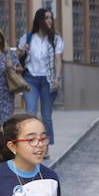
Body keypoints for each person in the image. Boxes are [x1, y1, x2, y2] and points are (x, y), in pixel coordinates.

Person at [18, 8, 64, 154]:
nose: (49, 21)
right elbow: (18, 56)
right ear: (40, 20)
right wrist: (23, 51)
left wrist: (57, 78)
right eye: (46, 18)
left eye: (51, 18)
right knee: (31, 114)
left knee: (46, 116)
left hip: (48, 80)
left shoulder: (56, 39)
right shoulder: (28, 38)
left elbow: (58, 60)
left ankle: (45, 147)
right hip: (30, 78)